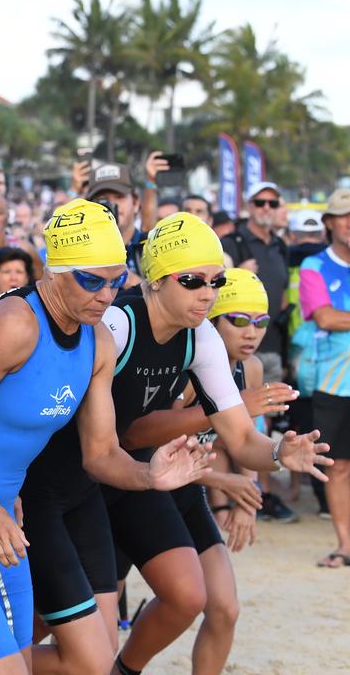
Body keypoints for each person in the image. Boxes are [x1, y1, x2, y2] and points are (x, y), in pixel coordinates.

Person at [0, 199, 209, 675]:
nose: (106, 295)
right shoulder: (13, 324)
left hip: (4, 529)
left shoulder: (99, 340)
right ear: (52, 269)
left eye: (116, 281)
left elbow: (100, 454)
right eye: (91, 280)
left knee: (73, 666)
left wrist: (149, 474)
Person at [89, 213, 327, 675]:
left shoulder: (200, 339)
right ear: (156, 279)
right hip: (82, 479)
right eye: (193, 280)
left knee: (193, 597)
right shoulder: (116, 325)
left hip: (144, 478)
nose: (207, 293)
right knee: (72, 643)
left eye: (216, 281)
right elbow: (128, 432)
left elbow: (239, 437)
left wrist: (280, 454)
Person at [120, 268, 280, 674]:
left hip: (186, 494)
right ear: (213, 319)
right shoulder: (189, 364)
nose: (252, 332)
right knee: (86, 608)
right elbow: (149, 445)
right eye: (239, 320)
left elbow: (243, 441)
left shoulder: (253, 369)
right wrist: (221, 480)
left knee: (224, 607)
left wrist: (248, 495)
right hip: (142, 486)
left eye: (261, 322)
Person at [221, 181, 297, 522]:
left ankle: (258, 494)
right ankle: (227, 499)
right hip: (223, 347)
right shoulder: (232, 243)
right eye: (260, 202)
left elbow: (284, 296)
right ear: (249, 205)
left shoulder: (280, 245)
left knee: (258, 423)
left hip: (269, 346)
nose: (266, 208)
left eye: (272, 202)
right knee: (224, 424)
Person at [299, 189, 350, 568]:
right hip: (334, 382)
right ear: (329, 223)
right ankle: (345, 545)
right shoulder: (314, 266)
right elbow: (325, 318)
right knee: (340, 467)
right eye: (343, 215)